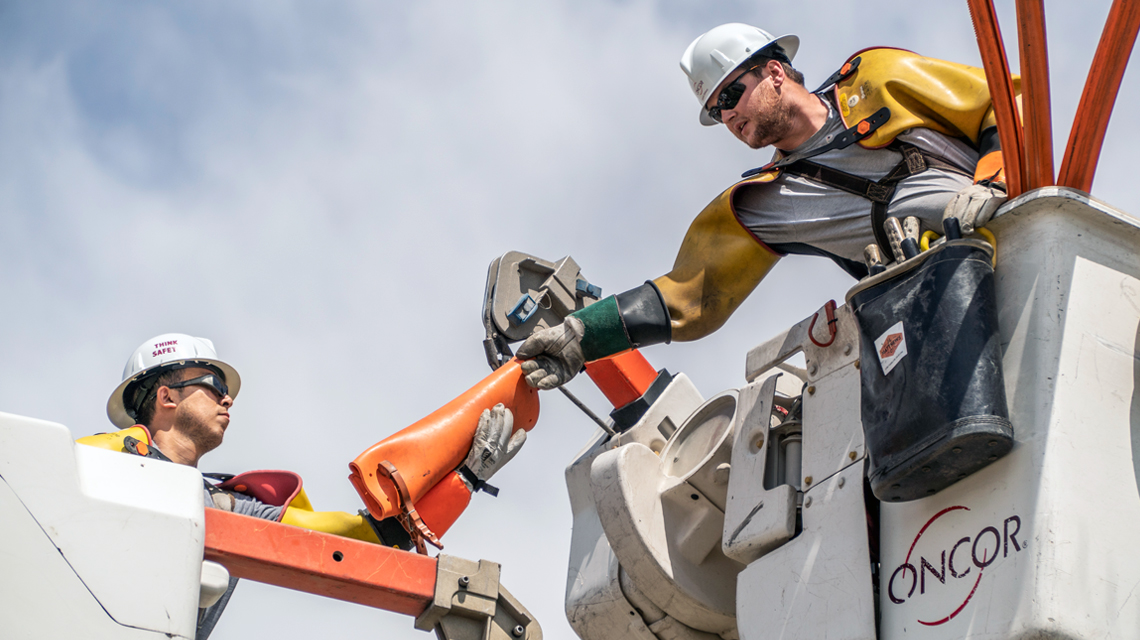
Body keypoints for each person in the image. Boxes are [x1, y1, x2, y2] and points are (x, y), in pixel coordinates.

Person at [517, 23, 1012, 388]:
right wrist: (581, 337)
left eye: (732, 93)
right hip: (944, 314)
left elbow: (1001, 102)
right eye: (716, 110)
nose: (728, 114)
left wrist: (992, 177)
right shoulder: (762, 202)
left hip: (1017, 243)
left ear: (774, 72)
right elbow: (685, 298)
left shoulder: (878, 79)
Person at [79, 333, 524, 639]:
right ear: (167, 397)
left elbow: (369, 540)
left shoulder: (230, 508)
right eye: (214, 385)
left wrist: (464, 476)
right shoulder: (89, 463)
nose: (228, 398)